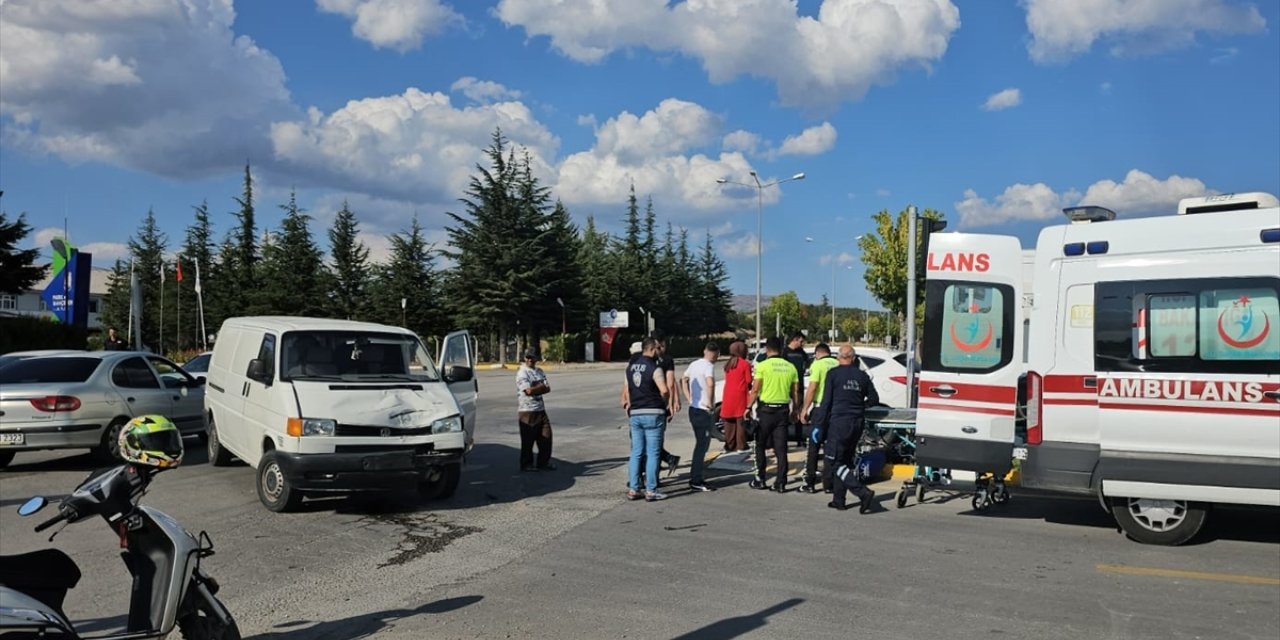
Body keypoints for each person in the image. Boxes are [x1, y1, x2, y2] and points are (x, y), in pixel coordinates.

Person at [816, 344, 881, 513]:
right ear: (853, 358)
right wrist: (860, 406)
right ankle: (839, 500)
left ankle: (863, 492)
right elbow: (874, 399)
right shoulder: (862, 376)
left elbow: (826, 403)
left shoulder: (833, 374)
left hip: (839, 423)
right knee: (844, 461)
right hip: (857, 423)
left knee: (834, 462)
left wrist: (818, 425)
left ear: (839, 357)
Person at [745, 336, 800, 492]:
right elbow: (795, 391)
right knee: (781, 448)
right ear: (781, 349)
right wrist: (795, 409)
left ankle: (760, 479)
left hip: (766, 411)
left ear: (767, 349)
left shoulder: (762, 366)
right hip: (782, 411)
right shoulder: (791, 367)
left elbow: (755, 389)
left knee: (760, 445)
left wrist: (748, 407)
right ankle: (781, 482)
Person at [625, 337, 670, 501]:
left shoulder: (630, 368)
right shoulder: (654, 367)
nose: (659, 351)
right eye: (658, 348)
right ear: (652, 349)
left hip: (635, 413)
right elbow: (664, 390)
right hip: (653, 412)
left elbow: (628, 390)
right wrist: (665, 403)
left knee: (636, 452)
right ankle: (651, 490)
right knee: (653, 453)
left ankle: (634, 488)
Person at [798, 342, 839, 494]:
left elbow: (813, 387)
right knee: (830, 447)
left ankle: (809, 483)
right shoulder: (837, 363)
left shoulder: (818, 364)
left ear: (817, 353)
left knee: (813, 446)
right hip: (835, 410)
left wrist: (804, 409)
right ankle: (828, 485)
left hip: (820, 410)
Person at [681, 342, 720, 492]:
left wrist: (689, 398)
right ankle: (696, 479)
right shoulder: (708, 366)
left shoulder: (694, 364)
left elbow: (683, 379)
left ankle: (697, 476)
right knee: (702, 446)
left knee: (700, 444)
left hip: (694, 408)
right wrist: (710, 402)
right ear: (716, 353)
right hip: (704, 411)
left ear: (704, 351)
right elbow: (710, 384)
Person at [516, 348, 555, 472]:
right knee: (528, 440)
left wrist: (538, 388)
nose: (529, 360)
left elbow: (548, 388)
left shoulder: (539, 371)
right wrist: (541, 387)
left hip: (540, 409)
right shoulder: (522, 373)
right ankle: (526, 464)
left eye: (532, 357)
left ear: (536, 359)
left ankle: (543, 462)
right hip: (527, 411)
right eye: (527, 357)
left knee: (546, 436)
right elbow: (528, 391)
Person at [719, 340, 752, 453]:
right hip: (740, 395)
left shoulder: (728, 364)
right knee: (740, 421)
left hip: (728, 395)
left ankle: (729, 445)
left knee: (729, 422)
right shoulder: (745, 364)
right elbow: (748, 380)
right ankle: (741, 445)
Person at [781, 332, 811, 445]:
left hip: (799, 385)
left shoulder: (802, 353)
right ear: (795, 339)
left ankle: (800, 438)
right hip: (787, 385)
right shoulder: (784, 352)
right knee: (786, 412)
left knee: (799, 410)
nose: (802, 344)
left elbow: (808, 364)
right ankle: (784, 437)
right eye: (801, 341)